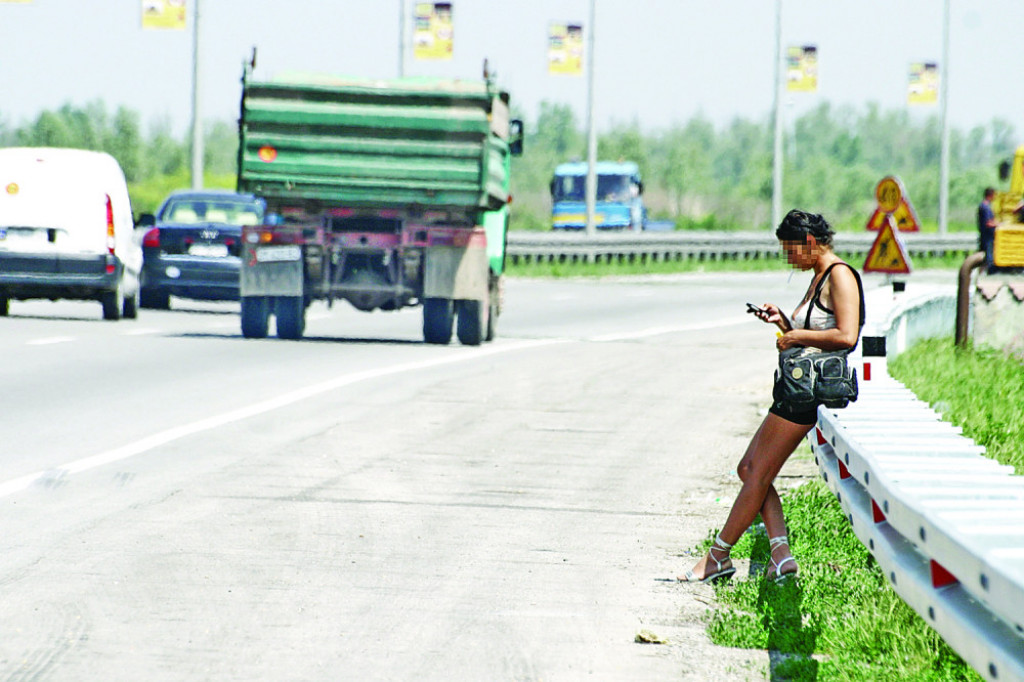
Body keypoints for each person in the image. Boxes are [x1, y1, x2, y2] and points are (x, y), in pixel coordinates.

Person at [679, 210, 863, 584]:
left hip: (808, 394)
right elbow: (815, 328)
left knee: (756, 472)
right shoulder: (818, 277)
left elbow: (847, 335)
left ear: (810, 242)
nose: (789, 259)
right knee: (749, 470)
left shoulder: (840, 275)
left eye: (791, 250)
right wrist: (783, 322)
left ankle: (718, 556)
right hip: (795, 389)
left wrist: (796, 337)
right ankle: (780, 554)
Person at [978, 187, 998, 273]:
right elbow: (987, 223)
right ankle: (990, 270)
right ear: (991, 195)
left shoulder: (986, 206)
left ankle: (985, 269)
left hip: (988, 235)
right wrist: (998, 224)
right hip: (987, 235)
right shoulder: (985, 207)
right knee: (989, 254)